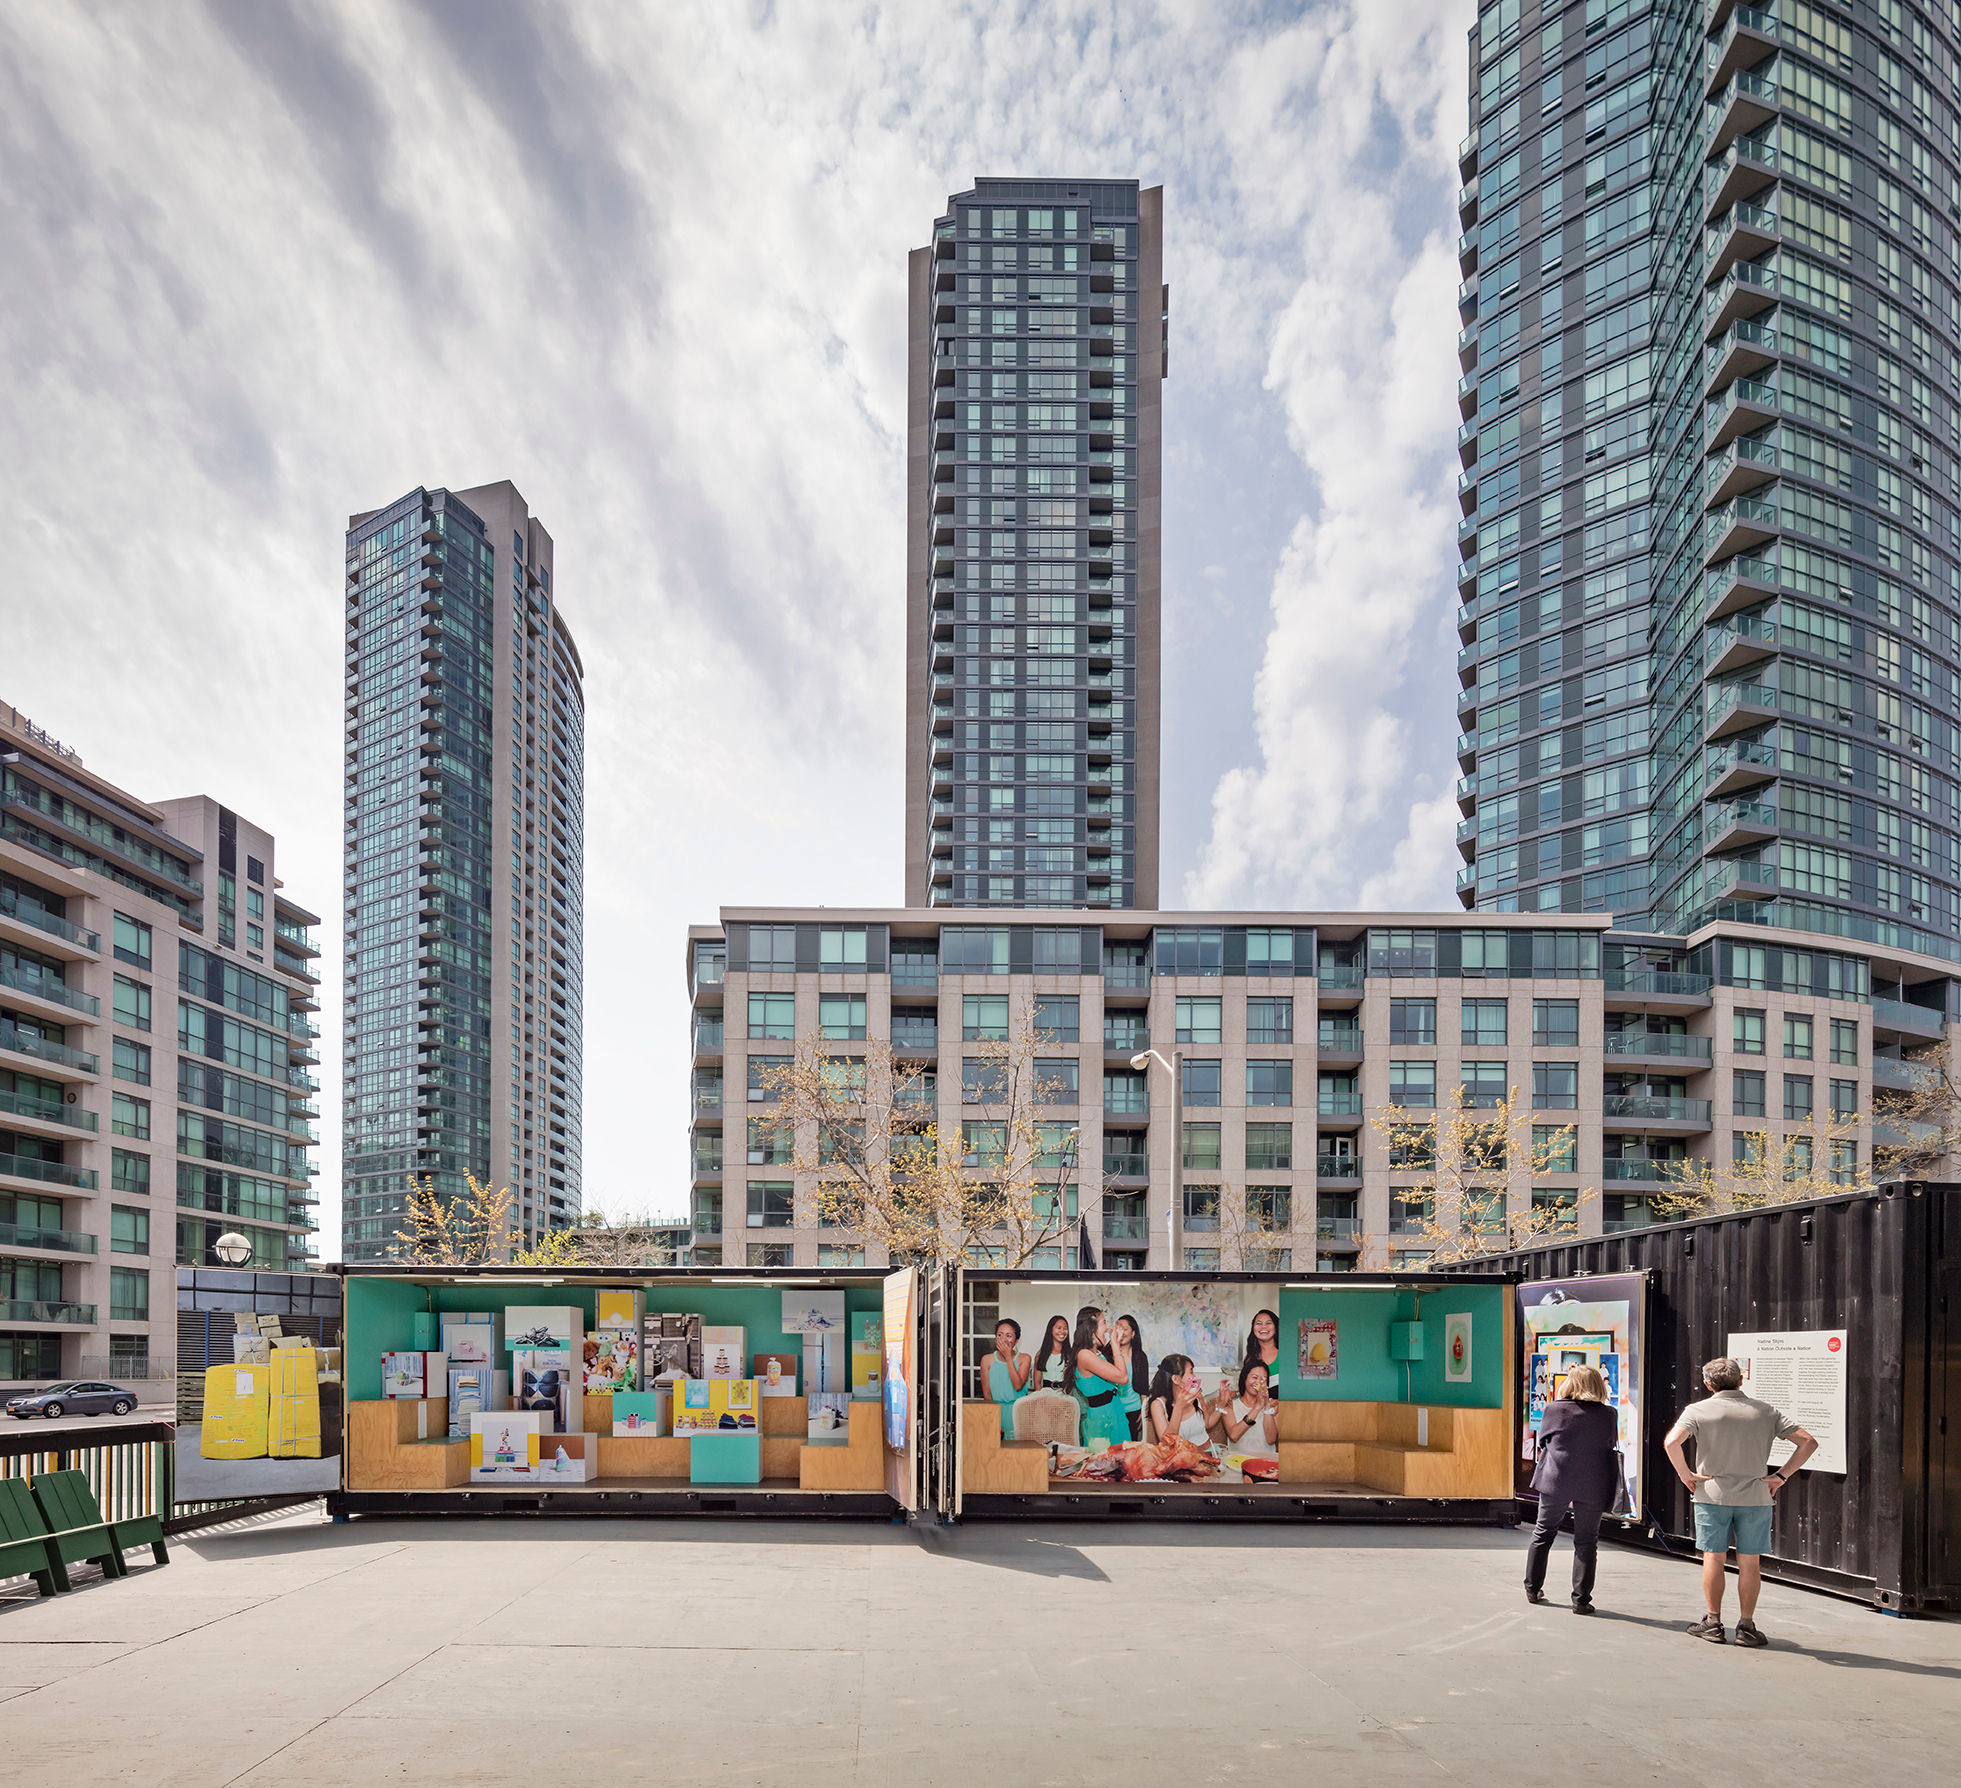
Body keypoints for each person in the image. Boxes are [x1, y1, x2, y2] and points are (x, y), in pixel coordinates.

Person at [1664, 1356, 1817, 1647]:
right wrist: (1781, 1476)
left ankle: (1712, 1622)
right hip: (1756, 1497)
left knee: (1714, 1557)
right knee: (1750, 1563)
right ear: (1741, 1380)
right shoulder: (1765, 1411)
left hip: (1712, 1495)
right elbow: (1808, 1441)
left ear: (1707, 1384)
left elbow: (1672, 1442)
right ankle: (1746, 1627)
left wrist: (1686, 1475)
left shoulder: (1698, 1410)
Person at [1522, 1363, 1620, 1613]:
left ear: (1570, 1383)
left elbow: (1544, 1441)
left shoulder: (1554, 1409)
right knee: (1587, 1541)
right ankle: (1581, 1600)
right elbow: (1610, 1443)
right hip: (1593, 1483)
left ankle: (1533, 1588)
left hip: (1556, 1480)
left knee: (1543, 1533)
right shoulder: (1608, 1414)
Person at [1063, 1305, 1131, 1447]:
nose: (1107, 1328)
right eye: (1104, 1322)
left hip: (1114, 1411)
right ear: (1091, 1329)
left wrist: (1114, 1344)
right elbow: (1123, 1378)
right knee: (1105, 1465)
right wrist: (1115, 1344)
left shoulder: (1096, 1353)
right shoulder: (1084, 1355)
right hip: (1102, 1419)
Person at [1218, 1358, 1280, 1482]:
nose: (1258, 1382)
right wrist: (1257, 1408)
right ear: (1244, 1379)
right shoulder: (1230, 1405)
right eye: (1254, 1377)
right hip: (1236, 1468)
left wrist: (1266, 1407)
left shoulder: (1273, 1406)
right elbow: (1234, 1435)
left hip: (1266, 1469)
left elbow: (1271, 1439)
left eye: (1263, 1379)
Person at [1147, 1354, 1219, 1450]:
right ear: (1176, 1379)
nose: (1194, 1377)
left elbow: (1207, 1423)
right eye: (1191, 1372)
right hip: (1179, 1458)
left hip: (1206, 1452)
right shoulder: (1158, 1405)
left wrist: (1221, 1404)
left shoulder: (1196, 1395)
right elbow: (1167, 1444)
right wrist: (1178, 1407)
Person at [983, 1318, 1031, 1437]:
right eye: (1000, 1335)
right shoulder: (986, 1360)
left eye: (1008, 1335)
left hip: (1018, 1414)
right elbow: (987, 1394)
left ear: (1016, 1340)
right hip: (996, 1413)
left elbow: (1018, 1385)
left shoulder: (1025, 1358)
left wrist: (1008, 1357)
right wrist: (993, 1420)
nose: (1004, 1339)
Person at [1111, 1314, 1149, 1441]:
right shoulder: (1107, 1354)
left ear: (1133, 1334)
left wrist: (1144, 1413)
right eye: (1119, 1328)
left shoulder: (1140, 1356)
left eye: (1125, 1328)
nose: (1121, 1332)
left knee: (1130, 1452)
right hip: (1113, 1410)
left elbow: (1144, 1388)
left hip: (1134, 1411)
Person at [1032, 1315, 1071, 1390]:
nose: (1062, 1331)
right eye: (1059, 1328)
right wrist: (1041, 1399)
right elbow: (1037, 1382)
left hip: (1066, 1395)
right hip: (1046, 1395)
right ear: (1051, 1329)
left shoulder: (1071, 1354)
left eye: (1065, 1328)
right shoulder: (1040, 1354)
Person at [1242, 1307, 1281, 1376]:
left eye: (1268, 1323)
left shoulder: (1287, 1355)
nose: (1263, 1327)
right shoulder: (1248, 1359)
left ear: (1276, 1327)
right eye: (1259, 1323)